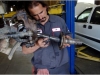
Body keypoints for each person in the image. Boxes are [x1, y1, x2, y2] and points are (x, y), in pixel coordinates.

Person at [22, 1, 72, 74]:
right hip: (43, 69)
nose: (40, 17)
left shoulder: (58, 21)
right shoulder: (29, 27)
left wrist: (67, 38)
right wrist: (37, 44)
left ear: (45, 7)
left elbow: (68, 34)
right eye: (35, 15)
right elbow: (25, 50)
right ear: (31, 14)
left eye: (41, 12)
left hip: (62, 66)